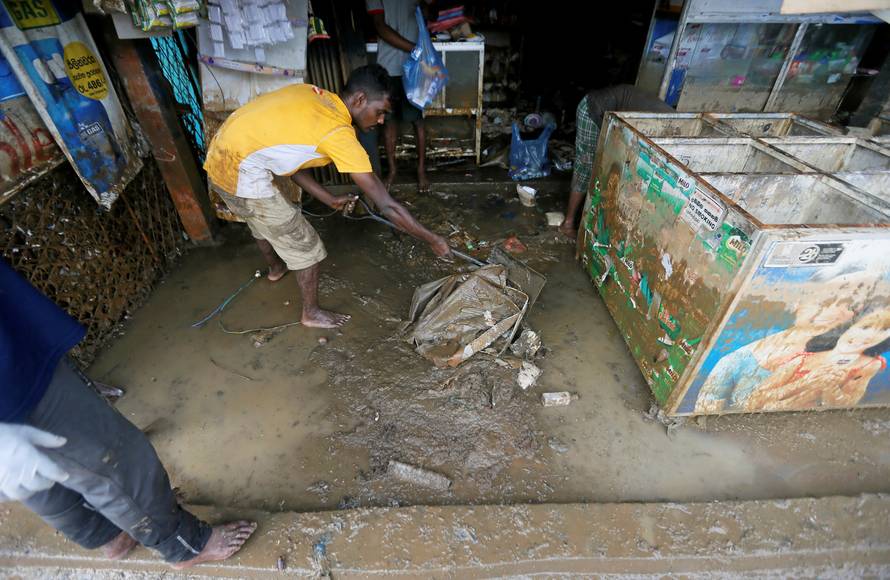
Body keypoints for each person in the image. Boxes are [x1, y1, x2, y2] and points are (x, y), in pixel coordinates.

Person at [0, 259, 256, 568]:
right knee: (114, 457)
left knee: (36, 471)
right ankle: (184, 545)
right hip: (9, 379)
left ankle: (110, 534)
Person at [203, 64, 451, 329]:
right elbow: (387, 206)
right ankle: (310, 314)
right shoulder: (339, 133)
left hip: (220, 155)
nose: (380, 121)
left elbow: (291, 164)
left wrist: (329, 199)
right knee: (306, 246)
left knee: (263, 221)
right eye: (380, 112)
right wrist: (433, 239)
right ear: (360, 99)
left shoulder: (315, 95)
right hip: (241, 170)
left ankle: (276, 269)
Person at [560, 84, 672, 239]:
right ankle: (568, 224)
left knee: (613, 169)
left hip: (611, 114)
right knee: (586, 166)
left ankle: (591, 220)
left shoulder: (669, 120)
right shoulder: (665, 122)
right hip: (592, 110)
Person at [744, 309, 890, 412]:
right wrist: (807, 382)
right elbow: (754, 402)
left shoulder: (869, 365)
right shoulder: (802, 360)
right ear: (848, 327)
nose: (869, 336)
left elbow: (842, 409)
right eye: (865, 327)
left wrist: (830, 387)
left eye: (883, 331)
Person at [358, 0, 431, 192]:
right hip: (389, 67)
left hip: (414, 69)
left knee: (417, 120)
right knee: (389, 122)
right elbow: (380, 27)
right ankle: (392, 170)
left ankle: (421, 170)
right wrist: (415, 49)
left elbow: (430, 15)